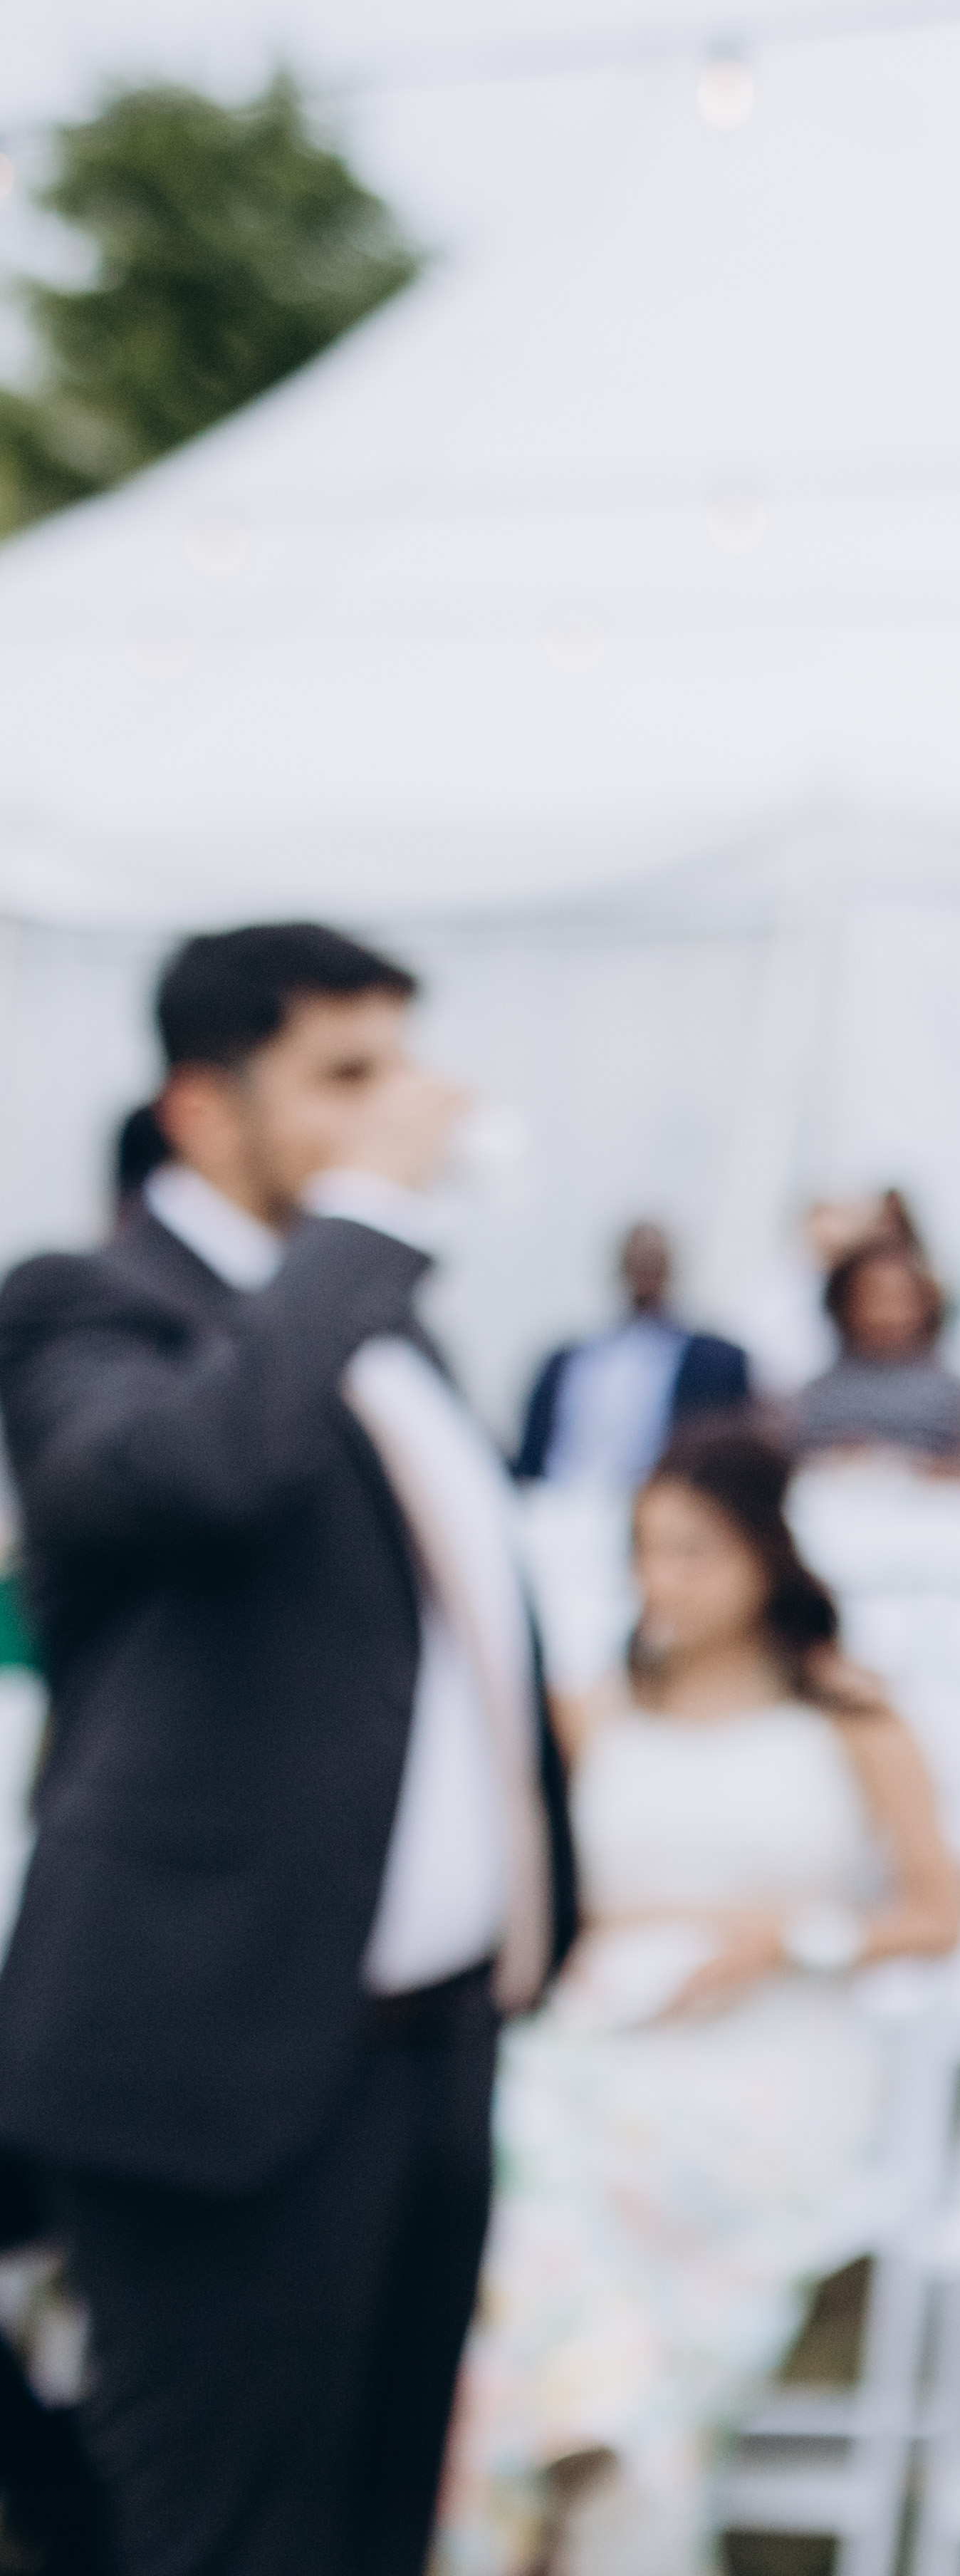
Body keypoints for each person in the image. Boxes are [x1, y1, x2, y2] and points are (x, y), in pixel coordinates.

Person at [0, 922, 578, 2576]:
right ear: (202, 1107)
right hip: (213, 2049)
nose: (397, 1106)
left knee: (380, 2521)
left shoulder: (378, 1328)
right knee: (228, 2535)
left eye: (402, 1066)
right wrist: (369, 1213)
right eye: (344, 1074)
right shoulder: (87, 1306)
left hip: (428, 2043)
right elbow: (198, 1473)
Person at [444, 1423, 960, 2576]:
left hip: (771, 2056)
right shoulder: (594, 1713)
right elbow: (536, 1898)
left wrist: (784, 1939)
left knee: (573, 2195)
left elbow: (941, 1911)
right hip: (602, 2041)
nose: (662, 1580)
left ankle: (586, 2484)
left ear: (763, 1559)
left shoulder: (852, 1715)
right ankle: (598, 2459)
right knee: (506, 2150)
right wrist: (595, 1948)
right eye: (646, 1551)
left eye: (692, 1552)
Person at [513, 1222, 756, 1492]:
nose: (644, 1273)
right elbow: (531, 1454)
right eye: (637, 1262)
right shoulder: (566, 1362)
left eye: (653, 1262)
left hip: (659, 1501)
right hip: (561, 1501)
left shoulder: (717, 1364)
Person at [789, 1240, 960, 1487]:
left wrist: (899, 1467)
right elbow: (771, 1467)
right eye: (872, 1297)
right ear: (842, 1305)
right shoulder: (810, 1398)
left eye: (902, 1299)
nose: (888, 1312)